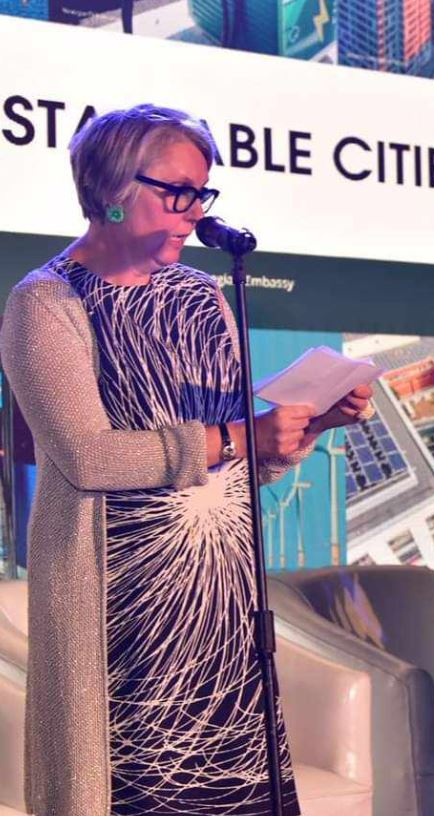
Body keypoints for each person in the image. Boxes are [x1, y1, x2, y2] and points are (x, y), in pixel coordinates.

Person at [0, 103, 373, 816]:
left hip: (221, 610)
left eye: (202, 193)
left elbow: (230, 465)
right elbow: (88, 458)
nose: (196, 212)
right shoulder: (45, 304)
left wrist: (307, 425)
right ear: (111, 189)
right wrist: (241, 437)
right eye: (177, 192)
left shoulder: (203, 297)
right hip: (119, 617)